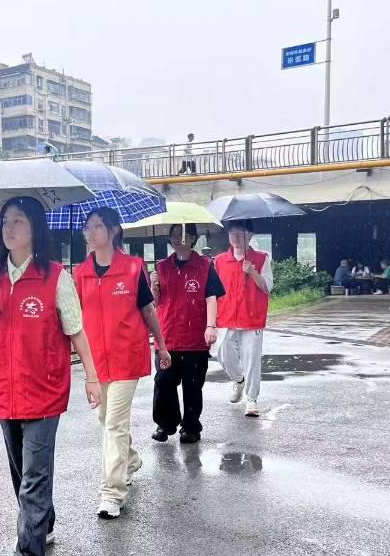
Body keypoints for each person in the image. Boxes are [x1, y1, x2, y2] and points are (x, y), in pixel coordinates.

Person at [0, 196, 101, 556]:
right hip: (3, 385)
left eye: (18, 221)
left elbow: (75, 329)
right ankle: (42, 522)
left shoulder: (55, 276)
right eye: (5, 222)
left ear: (35, 229)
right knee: (19, 468)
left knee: (34, 474)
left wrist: (92, 378)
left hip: (43, 386)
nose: (9, 229)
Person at [74, 207, 171, 520]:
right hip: (97, 361)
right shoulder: (80, 273)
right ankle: (130, 459)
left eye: (98, 226)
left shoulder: (132, 268)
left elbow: (148, 310)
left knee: (114, 423)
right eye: (88, 227)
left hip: (127, 356)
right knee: (105, 419)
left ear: (113, 230)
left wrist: (161, 345)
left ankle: (112, 492)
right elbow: (73, 319)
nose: (91, 233)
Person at [149, 224, 225, 444]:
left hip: (194, 338)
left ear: (193, 239)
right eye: (172, 235)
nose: (176, 239)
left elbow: (212, 297)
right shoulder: (162, 267)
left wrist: (210, 327)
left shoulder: (205, 266)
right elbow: (155, 303)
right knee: (164, 381)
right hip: (167, 336)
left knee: (192, 386)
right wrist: (154, 287)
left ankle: (191, 426)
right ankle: (165, 423)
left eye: (181, 235)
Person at [214, 220, 274, 418]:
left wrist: (253, 272)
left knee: (251, 360)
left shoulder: (261, 258)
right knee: (222, 354)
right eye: (232, 233)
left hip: (251, 317)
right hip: (226, 316)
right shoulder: (220, 261)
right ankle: (239, 380)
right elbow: (212, 291)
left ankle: (251, 398)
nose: (235, 237)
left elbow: (267, 287)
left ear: (250, 236)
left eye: (240, 233)